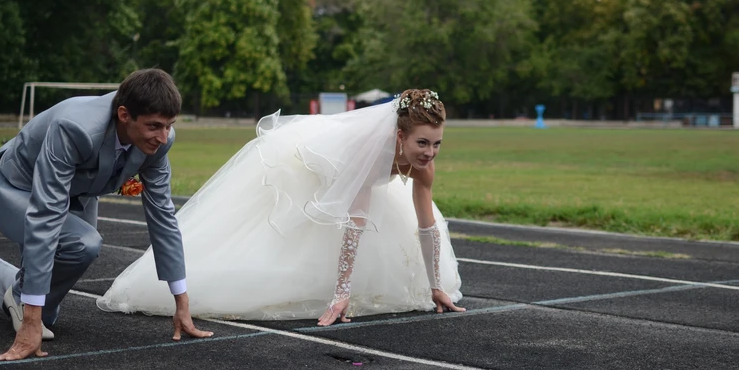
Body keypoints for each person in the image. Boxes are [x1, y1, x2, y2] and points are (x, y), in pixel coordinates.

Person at [97, 88, 464, 325]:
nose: (430, 153)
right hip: (308, 165)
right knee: (285, 238)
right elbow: (355, 223)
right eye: (422, 143)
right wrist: (341, 294)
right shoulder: (369, 157)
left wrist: (434, 286)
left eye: (437, 144)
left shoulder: (424, 167)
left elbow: (426, 225)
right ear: (399, 136)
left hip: (352, 181)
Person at [0, 69, 213, 361]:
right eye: (154, 126)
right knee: (82, 243)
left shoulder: (159, 141)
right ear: (124, 115)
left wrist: (181, 304)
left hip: (76, 190)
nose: (163, 137)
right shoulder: (75, 128)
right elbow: (47, 214)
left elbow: (163, 217)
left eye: (169, 126)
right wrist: (30, 319)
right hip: (16, 185)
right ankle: (22, 300)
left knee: (54, 300)